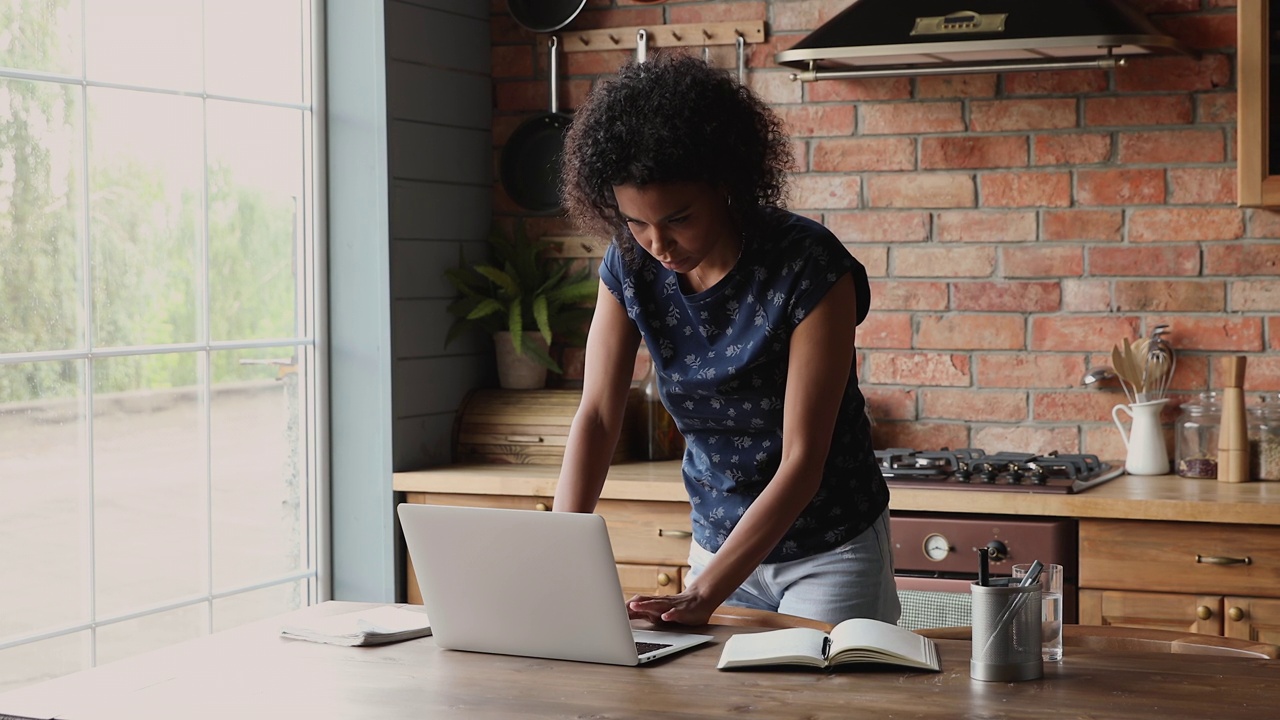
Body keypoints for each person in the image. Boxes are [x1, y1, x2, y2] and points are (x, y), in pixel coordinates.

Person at [552, 51, 899, 628]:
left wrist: (703, 594)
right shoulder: (630, 265)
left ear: (726, 186)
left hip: (827, 550)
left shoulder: (809, 266)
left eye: (679, 218)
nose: (657, 244)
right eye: (636, 223)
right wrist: (557, 555)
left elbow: (803, 459)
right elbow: (596, 416)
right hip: (716, 540)